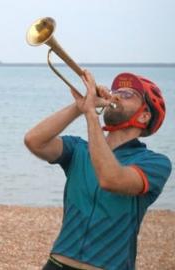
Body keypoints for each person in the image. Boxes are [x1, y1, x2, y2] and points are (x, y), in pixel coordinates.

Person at [24, 71, 171, 269]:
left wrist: (90, 114)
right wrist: (80, 106)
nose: (116, 96)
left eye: (128, 95)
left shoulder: (155, 163)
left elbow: (111, 179)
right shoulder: (79, 149)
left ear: (144, 116)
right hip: (57, 264)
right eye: (116, 91)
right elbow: (34, 141)